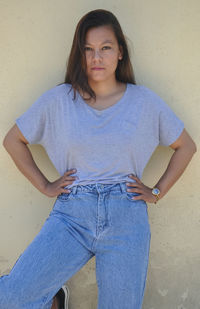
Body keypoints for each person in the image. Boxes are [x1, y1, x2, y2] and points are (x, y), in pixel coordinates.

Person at [0, 8, 197, 309]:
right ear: (80, 55)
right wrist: (45, 185)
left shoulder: (143, 101)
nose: (96, 57)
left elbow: (186, 146)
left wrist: (156, 192)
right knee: (12, 297)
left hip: (126, 216)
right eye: (88, 49)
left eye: (105, 48)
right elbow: (13, 140)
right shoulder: (60, 100)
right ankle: (53, 299)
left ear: (120, 52)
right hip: (71, 214)